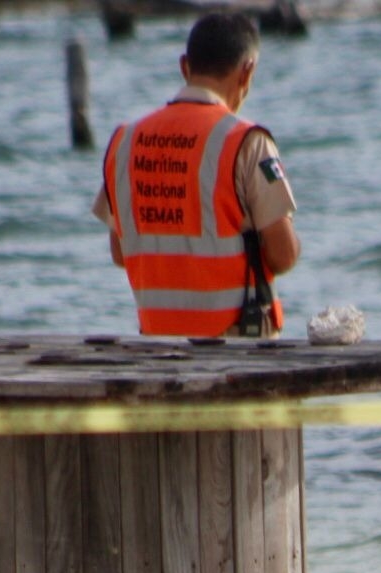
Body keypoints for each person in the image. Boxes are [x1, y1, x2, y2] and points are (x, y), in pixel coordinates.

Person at [91, 13, 301, 338]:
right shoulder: (247, 141)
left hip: (157, 347)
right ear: (247, 71)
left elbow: (121, 253)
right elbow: (283, 255)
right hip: (238, 350)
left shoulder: (125, 141)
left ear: (184, 66)